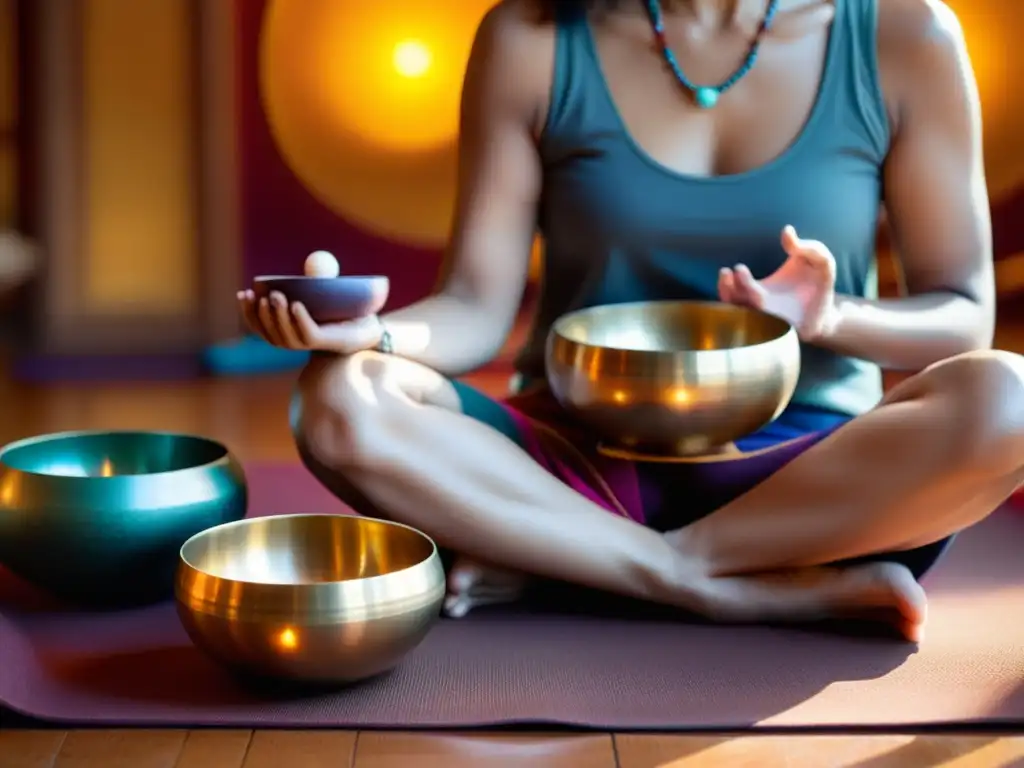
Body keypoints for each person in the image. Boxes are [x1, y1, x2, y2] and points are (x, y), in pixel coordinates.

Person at [238, 0, 1024, 642]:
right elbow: (477, 306)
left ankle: (576, 565)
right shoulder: (532, 37)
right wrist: (372, 337)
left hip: (802, 482)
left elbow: (962, 319)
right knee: (341, 398)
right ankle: (701, 584)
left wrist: (834, 315)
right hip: (571, 463)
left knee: (1010, 400)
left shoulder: (905, 34)